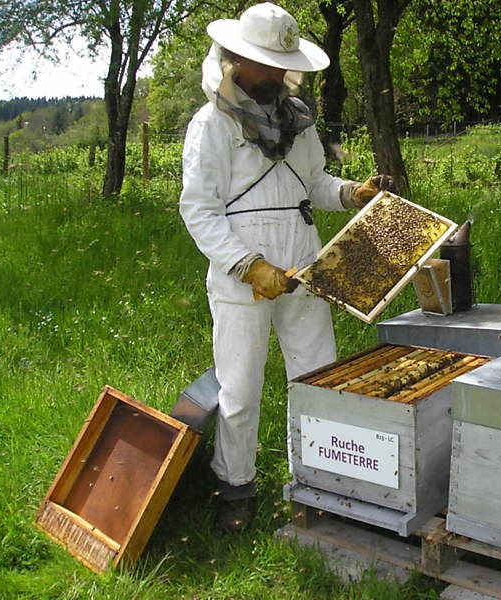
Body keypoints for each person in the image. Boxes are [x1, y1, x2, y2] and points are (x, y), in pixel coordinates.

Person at [179, 2, 391, 532]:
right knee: (240, 387)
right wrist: (247, 265)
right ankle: (236, 487)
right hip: (242, 275)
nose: (275, 75)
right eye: (264, 64)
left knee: (318, 378)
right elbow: (198, 210)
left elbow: (313, 183)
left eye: (281, 65)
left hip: (306, 262)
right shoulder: (211, 124)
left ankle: (319, 482)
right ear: (235, 60)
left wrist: (350, 193)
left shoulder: (297, 121)